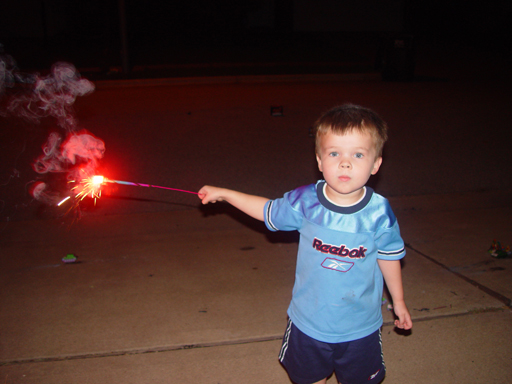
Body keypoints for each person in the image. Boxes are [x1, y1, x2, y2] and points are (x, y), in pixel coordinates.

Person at [198, 104, 412, 384]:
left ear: (375, 164)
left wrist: (398, 301)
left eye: (357, 154)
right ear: (320, 161)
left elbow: (388, 256)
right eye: (334, 153)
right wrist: (226, 194)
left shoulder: (379, 214)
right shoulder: (305, 202)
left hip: (360, 328)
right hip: (309, 325)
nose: (345, 163)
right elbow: (267, 211)